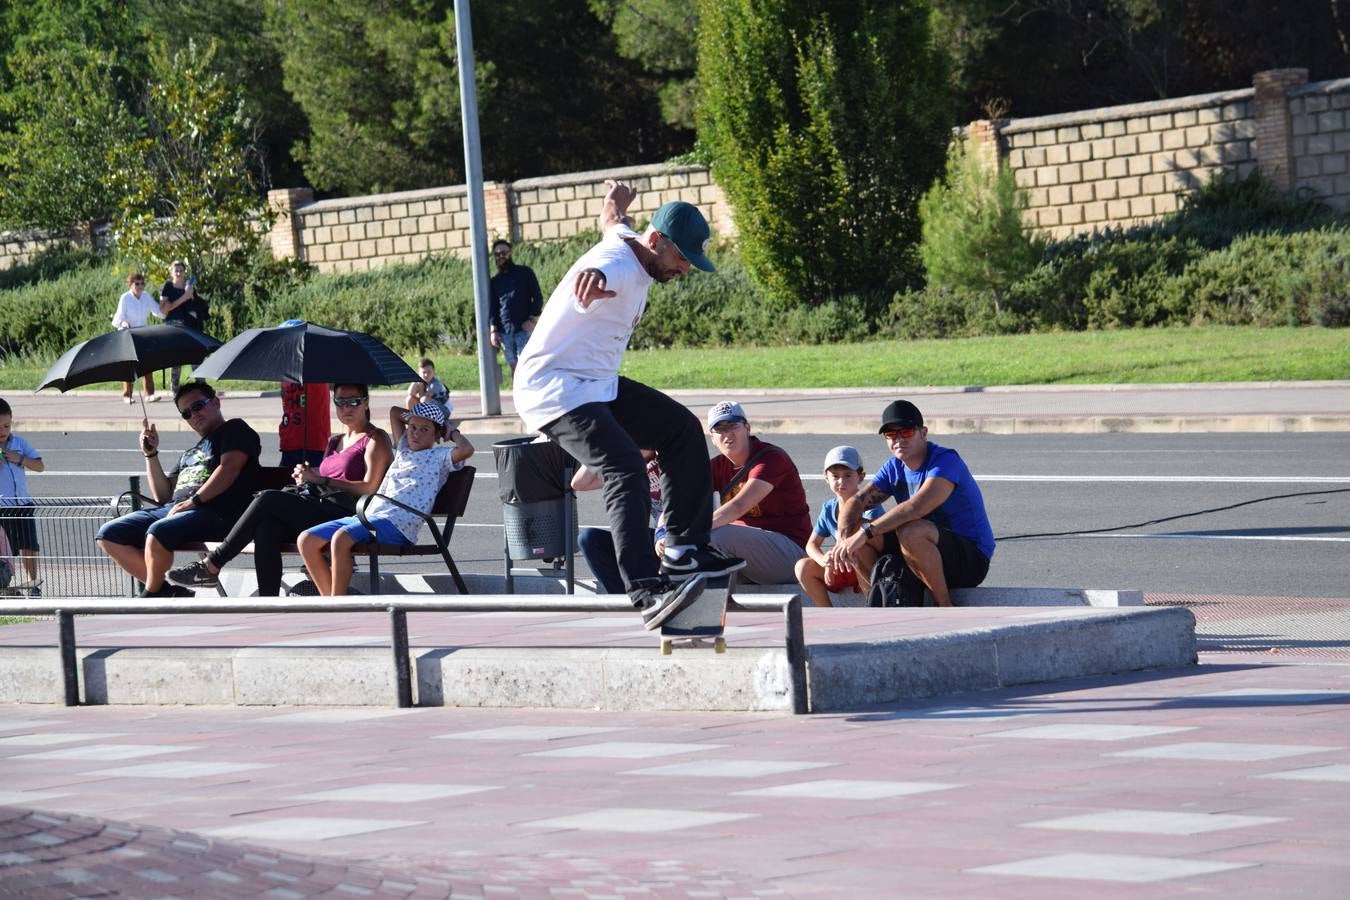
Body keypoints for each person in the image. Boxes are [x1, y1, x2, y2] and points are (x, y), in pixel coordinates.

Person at [512, 180, 744, 630]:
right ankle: (643, 587)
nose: (685, 271)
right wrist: (588, 284)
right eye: (681, 260)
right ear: (656, 241)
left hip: (597, 383)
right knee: (624, 468)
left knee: (681, 430)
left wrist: (617, 196)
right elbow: (594, 274)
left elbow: (611, 216)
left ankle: (682, 546)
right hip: (553, 388)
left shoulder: (624, 236)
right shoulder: (613, 265)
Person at [167, 383, 394, 595]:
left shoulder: (375, 439)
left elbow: (370, 487)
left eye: (353, 401)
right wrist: (306, 477)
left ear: (366, 402)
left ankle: (213, 564)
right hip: (320, 506)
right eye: (340, 402)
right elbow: (323, 479)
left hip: (348, 513)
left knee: (268, 499)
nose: (346, 408)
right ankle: (269, 603)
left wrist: (322, 481)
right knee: (267, 527)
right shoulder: (335, 441)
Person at [95, 382, 261, 598]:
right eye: (186, 413)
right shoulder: (191, 452)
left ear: (216, 402)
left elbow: (229, 469)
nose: (194, 415)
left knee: (158, 531)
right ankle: (161, 590)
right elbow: (163, 496)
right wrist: (151, 454)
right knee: (108, 534)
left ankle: (151, 596)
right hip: (178, 510)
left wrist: (194, 501)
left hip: (217, 512)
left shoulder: (236, 430)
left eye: (199, 406)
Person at [829, 400, 995, 607]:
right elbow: (856, 501)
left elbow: (916, 508)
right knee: (855, 531)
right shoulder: (894, 467)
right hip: (919, 553)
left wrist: (864, 533)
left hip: (970, 560)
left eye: (906, 432)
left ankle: (945, 608)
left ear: (923, 433)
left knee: (910, 530)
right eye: (890, 435)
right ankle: (876, 604)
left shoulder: (945, 461)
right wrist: (844, 541)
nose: (898, 439)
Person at [297, 401, 473, 596]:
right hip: (371, 515)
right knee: (307, 540)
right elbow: (394, 412)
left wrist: (450, 431)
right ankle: (332, 601)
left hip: (398, 523)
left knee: (340, 538)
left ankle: (337, 605)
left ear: (436, 435)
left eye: (425, 429)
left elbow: (467, 449)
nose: (416, 433)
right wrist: (416, 417)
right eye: (413, 427)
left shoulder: (441, 457)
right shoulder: (404, 448)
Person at [706, 401, 811, 585]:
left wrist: (690, 532)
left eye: (733, 425)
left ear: (747, 428)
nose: (727, 433)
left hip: (792, 554)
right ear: (712, 438)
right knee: (667, 546)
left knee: (716, 535)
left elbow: (739, 506)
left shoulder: (771, 458)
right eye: (720, 429)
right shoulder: (717, 466)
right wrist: (662, 534)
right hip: (746, 553)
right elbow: (683, 499)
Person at [793, 446, 886, 608]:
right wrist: (825, 561)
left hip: (865, 565)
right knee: (802, 567)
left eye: (848, 475)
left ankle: (873, 606)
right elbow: (811, 544)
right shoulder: (829, 508)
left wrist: (836, 555)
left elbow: (870, 540)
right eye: (835, 476)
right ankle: (826, 612)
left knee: (858, 547)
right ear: (826, 478)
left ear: (861, 476)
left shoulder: (871, 506)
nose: (841, 482)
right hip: (841, 567)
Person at [574, 450, 662, 595]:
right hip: (654, 540)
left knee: (634, 534)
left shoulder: (669, 453)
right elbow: (579, 483)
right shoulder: (629, 465)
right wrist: (602, 443)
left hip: (678, 536)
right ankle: (625, 602)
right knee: (589, 539)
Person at [0, 397, 45, 593]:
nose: (3, 431)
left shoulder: (19, 443)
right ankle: (4, 583)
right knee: (5, 549)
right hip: (3, 507)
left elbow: (40, 466)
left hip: (23, 504)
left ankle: (32, 583)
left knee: (29, 544)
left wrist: (20, 459)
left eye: (6, 426)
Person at [488, 240, 544, 377]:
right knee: (514, 368)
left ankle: (531, 396)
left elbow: (537, 297)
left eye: (504, 253)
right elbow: (493, 306)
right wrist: (493, 330)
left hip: (523, 329)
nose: (501, 256)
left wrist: (532, 319)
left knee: (526, 367)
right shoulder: (495, 281)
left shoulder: (525, 273)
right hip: (504, 331)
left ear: (510, 253)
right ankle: (518, 397)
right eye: (497, 254)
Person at [111, 271, 163, 404]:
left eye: (142, 283)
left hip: (143, 335)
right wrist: (123, 323)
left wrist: (166, 304)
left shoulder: (146, 296)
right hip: (128, 335)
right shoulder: (125, 298)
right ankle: (127, 395)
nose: (140, 286)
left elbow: (159, 312)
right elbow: (116, 319)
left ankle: (149, 395)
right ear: (130, 285)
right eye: (137, 283)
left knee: (147, 365)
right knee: (129, 366)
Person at [158, 260, 209, 392]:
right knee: (176, 361)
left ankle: (202, 387)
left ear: (185, 272)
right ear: (171, 272)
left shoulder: (189, 287)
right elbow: (164, 309)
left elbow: (196, 306)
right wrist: (184, 298)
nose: (179, 273)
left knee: (196, 358)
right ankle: (175, 389)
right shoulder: (168, 287)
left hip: (191, 327)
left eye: (181, 270)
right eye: (176, 271)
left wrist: (190, 296)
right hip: (174, 327)